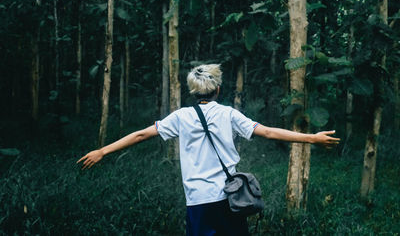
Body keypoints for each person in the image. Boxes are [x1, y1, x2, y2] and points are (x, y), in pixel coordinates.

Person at [77, 64, 340, 236]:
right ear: (218, 89)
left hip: (198, 200)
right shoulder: (228, 114)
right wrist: (312, 138)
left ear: (193, 92)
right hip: (230, 198)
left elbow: (141, 134)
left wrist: (103, 151)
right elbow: (269, 132)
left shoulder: (181, 117)